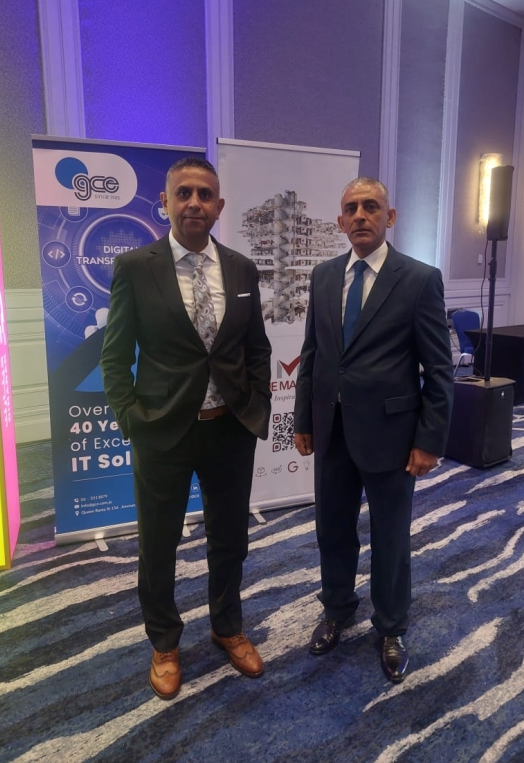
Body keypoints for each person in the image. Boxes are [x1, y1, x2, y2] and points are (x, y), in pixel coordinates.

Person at [100, 157, 272, 699]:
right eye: (184, 193)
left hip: (230, 429)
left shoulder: (242, 269)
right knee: (159, 543)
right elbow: (114, 356)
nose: (194, 203)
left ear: (219, 206)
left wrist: (258, 404)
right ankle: (165, 643)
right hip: (162, 431)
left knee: (230, 537)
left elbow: (257, 347)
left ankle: (227, 627)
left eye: (205, 195)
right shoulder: (135, 267)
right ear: (166, 202)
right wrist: (131, 418)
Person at [293, 177, 453, 683]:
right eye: (351, 208)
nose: (360, 215)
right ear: (340, 221)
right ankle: (337, 608)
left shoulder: (419, 279)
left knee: (390, 537)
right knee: (332, 529)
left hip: (392, 436)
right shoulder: (323, 276)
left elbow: (439, 370)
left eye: (371, 206)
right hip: (332, 430)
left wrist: (429, 440)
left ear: (390, 217)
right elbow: (313, 354)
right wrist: (303, 419)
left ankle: (391, 626)